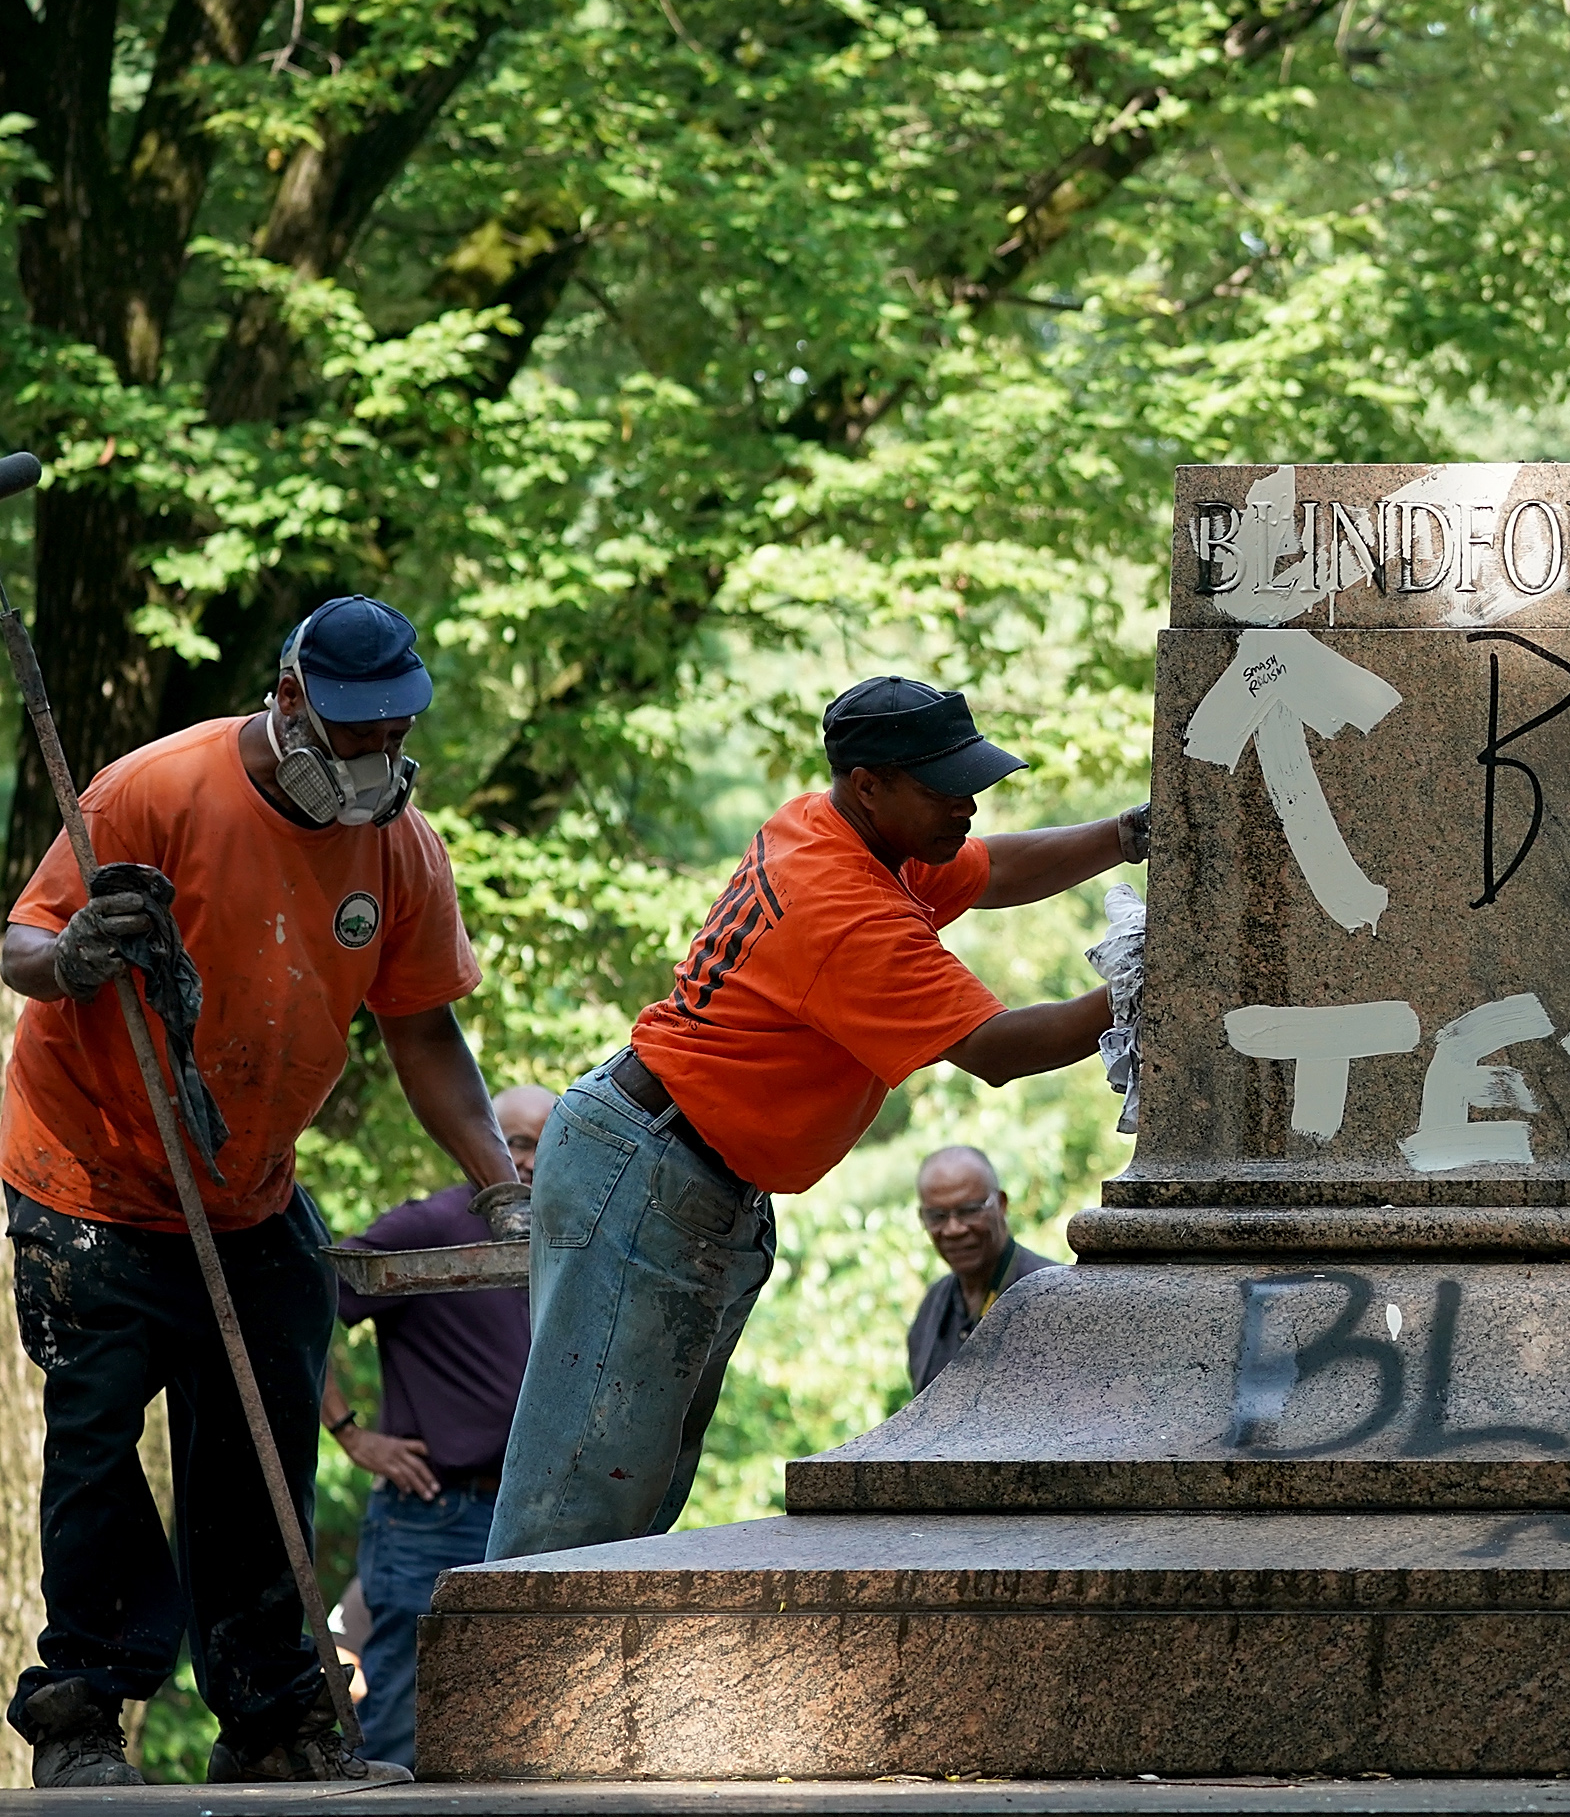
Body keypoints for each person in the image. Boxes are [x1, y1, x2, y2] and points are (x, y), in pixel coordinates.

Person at [3, 595, 522, 1789]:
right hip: (89, 1177)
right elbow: (20, 939)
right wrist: (75, 952)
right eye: (354, 736)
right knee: (95, 1443)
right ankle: (82, 1717)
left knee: (266, 1445)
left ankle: (272, 1721)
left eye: (396, 733)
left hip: (245, 1183)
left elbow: (425, 1032)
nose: (378, 760)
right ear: (289, 703)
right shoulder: (157, 791)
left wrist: (501, 1185)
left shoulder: (398, 844)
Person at [489, 677, 1147, 1561]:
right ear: (870, 782)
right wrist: (1150, 983)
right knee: (577, 1500)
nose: (967, 800)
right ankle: (516, 1693)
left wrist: (1122, 836)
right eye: (944, 783)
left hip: (669, 1162)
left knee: (632, 1492)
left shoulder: (834, 825)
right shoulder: (843, 907)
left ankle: (576, 1684)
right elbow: (999, 1049)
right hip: (646, 1171)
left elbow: (992, 867)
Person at [319, 1082, 552, 1770]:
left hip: (530, 1521)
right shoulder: (429, 1224)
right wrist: (351, 1432)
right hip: (431, 1518)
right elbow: (299, 1312)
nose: (533, 1162)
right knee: (403, 1720)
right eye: (518, 1143)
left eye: (548, 1143)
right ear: (475, 1145)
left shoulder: (568, 1238)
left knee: (515, 1727)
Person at [905, 1145, 1054, 1393]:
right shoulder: (933, 1306)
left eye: (969, 1211)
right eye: (937, 1216)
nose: (954, 1229)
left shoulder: (1053, 1295)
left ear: (1002, 1204)